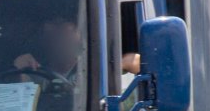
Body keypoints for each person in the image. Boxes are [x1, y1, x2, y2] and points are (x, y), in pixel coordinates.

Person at [12, 12, 140, 85]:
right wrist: (20, 71)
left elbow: (138, 62)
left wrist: (121, 63)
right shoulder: (35, 73)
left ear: (80, 35)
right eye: (54, 35)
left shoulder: (96, 66)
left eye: (65, 32)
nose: (61, 40)